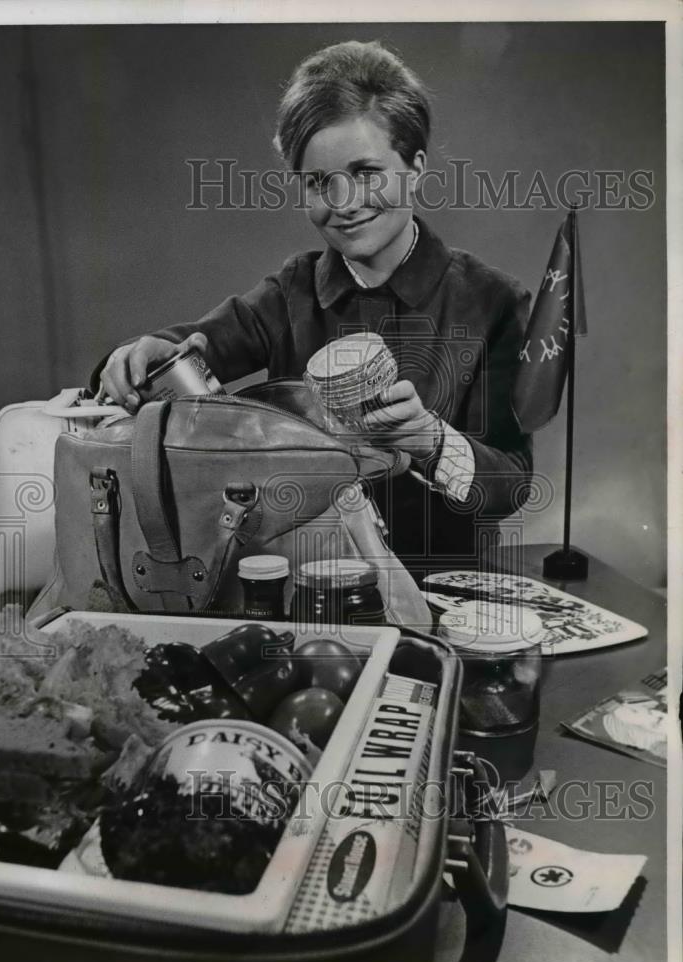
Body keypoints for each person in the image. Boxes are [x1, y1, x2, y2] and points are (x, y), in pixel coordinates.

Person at [95, 40, 532, 579]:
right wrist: (145, 354)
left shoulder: (494, 302)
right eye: (318, 182)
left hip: (442, 585)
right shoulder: (291, 292)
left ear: (415, 166)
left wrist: (428, 439)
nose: (345, 202)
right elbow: (199, 343)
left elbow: (513, 482)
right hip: (300, 586)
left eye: (367, 172)